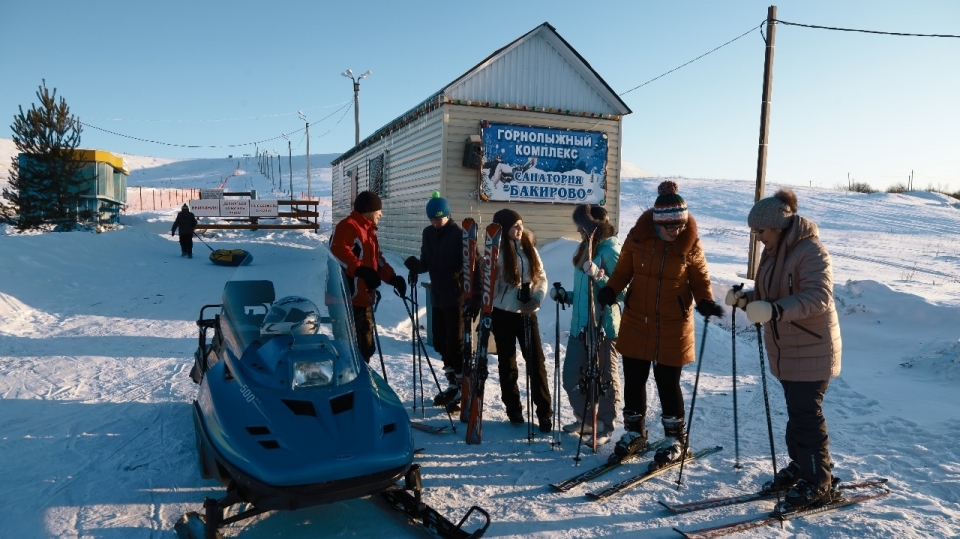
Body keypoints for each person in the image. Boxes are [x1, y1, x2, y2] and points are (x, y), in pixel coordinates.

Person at [725, 188, 841, 512]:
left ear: (777, 226)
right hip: (787, 348)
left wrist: (775, 311)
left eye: (760, 230)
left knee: (806, 415)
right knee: (796, 413)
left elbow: (819, 297)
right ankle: (802, 467)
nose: (757, 237)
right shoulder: (773, 252)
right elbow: (768, 295)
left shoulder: (811, 251)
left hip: (813, 346)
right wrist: (746, 299)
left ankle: (819, 482)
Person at [597, 181, 724, 468]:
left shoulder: (690, 242)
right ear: (657, 223)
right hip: (637, 318)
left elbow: (700, 278)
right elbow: (624, 271)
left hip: (673, 322)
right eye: (670, 227)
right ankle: (634, 432)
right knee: (634, 377)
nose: (676, 231)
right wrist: (611, 289)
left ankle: (675, 439)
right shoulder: (638, 238)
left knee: (668, 381)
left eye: (680, 226)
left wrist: (705, 300)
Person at [550, 204, 623, 446]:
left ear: (594, 227)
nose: (578, 232)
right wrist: (566, 296)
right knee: (571, 376)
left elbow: (623, 292)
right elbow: (585, 293)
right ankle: (587, 419)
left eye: (581, 227)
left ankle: (605, 424)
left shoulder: (610, 250)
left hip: (603, 326)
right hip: (580, 326)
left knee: (605, 379)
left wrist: (599, 275)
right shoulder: (586, 249)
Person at [404, 192, 471, 412]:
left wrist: (472, 295)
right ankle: (453, 382)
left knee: (455, 343)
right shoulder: (428, 233)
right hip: (438, 296)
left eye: (438, 219)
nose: (434, 222)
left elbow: (472, 265)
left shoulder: (459, 235)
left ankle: (464, 385)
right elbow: (426, 262)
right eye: (431, 219)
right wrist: (415, 266)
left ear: (447, 215)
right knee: (441, 342)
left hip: (455, 296)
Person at [489, 208, 553, 432]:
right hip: (503, 313)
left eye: (521, 224)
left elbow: (541, 277)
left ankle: (544, 412)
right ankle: (513, 408)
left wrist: (536, 299)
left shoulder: (529, 248)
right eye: (514, 226)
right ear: (503, 229)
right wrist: (489, 274)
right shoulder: (497, 252)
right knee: (507, 362)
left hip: (526, 312)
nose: (520, 229)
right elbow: (492, 289)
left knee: (536, 362)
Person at [330, 191, 406, 364]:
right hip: (346, 300)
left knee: (366, 348)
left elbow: (376, 260)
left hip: (363, 298)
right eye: (379, 210)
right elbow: (338, 249)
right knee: (349, 351)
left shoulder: (369, 231)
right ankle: (349, 379)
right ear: (369, 210)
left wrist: (392, 278)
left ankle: (361, 377)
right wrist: (360, 270)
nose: (381, 214)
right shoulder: (347, 226)